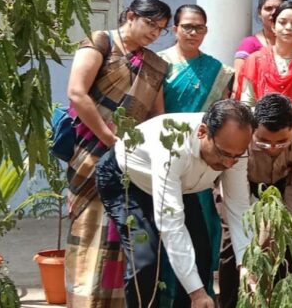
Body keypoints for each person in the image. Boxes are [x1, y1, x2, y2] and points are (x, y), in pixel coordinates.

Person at [95, 99, 255, 308]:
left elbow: (238, 206)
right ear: (202, 132)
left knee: (201, 256)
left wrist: (246, 265)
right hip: (126, 182)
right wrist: (197, 294)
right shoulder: (172, 146)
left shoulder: (233, 150)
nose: (228, 163)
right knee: (145, 260)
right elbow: (172, 225)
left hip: (181, 185)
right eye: (223, 154)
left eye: (237, 156)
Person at [65, 0, 171, 307]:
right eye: (150, 24)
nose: (154, 32)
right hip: (90, 153)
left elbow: (157, 116)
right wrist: (110, 139)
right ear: (130, 15)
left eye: (161, 28)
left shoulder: (153, 65)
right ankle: (83, 301)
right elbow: (77, 92)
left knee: (119, 230)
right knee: (88, 228)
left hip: (128, 159)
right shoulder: (100, 42)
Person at [157, 4, 234, 305]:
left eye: (199, 27)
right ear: (175, 29)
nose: (192, 32)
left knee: (202, 232)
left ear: (206, 31)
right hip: (168, 155)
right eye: (186, 26)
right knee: (169, 226)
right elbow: (153, 112)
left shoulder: (218, 70)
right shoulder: (158, 64)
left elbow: (221, 115)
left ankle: (200, 296)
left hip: (203, 159)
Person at [219, 93, 292, 308]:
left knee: (288, 248)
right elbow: (237, 198)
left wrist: (280, 227)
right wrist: (253, 240)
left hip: (284, 188)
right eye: (263, 141)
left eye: (281, 142)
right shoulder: (240, 130)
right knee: (234, 248)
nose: (271, 148)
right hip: (240, 184)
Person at [235, 1, 292, 113]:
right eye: (282, 22)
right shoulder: (254, 60)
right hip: (260, 126)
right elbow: (247, 105)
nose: (288, 28)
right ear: (273, 26)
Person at [233, 0, 288, 91]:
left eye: (278, 8)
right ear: (259, 12)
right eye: (268, 8)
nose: (273, 12)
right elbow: (238, 85)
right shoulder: (249, 44)